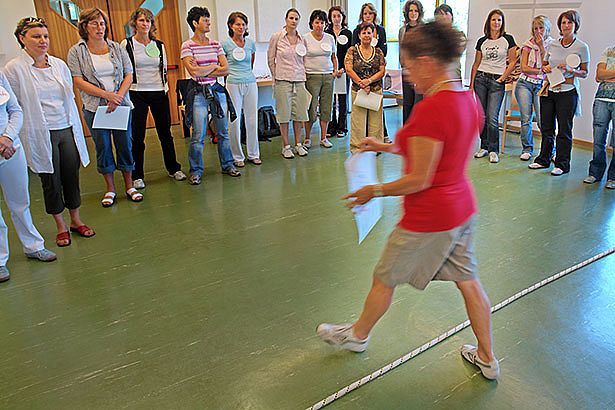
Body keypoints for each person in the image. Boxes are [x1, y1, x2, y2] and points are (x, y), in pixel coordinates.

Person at [317, 21, 500, 381]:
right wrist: (384, 145)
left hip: (429, 218)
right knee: (469, 281)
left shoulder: (433, 108)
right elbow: (439, 147)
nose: (408, 74)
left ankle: (358, 335)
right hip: (462, 210)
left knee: (384, 276)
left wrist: (375, 191)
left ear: (429, 61)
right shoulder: (467, 99)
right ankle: (488, 358)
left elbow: (420, 178)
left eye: (411, 65)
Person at [4, 17, 93, 247]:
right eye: (36, 36)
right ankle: (60, 225)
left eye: (45, 36)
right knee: (50, 179)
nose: (43, 41)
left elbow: (68, 100)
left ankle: (76, 220)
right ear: (22, 39)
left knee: (71, 175)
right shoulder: (14, 69)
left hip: (66, 128)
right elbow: (14, 105)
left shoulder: (59, 64)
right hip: (40, 132)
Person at [68, 8, 143, 206]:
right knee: (103, 147)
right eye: (95, 24)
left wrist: (117, 97)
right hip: (95, 108)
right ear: (84, 26)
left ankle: (129, 185)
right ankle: (110, 189)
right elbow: (78, 80)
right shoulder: (76, 51)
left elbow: (129, 74)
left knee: (125, 144)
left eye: (102, 24)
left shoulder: (117, 48)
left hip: (120, 106)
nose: (100, 28)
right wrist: (106, 95)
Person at [0, 71, 57, 283]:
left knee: (20, 202)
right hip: (3, 147)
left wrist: (7, 137)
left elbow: (15, 110)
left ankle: (33, 246)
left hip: (11, 148)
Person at [121, 8, 186, 189]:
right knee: (138, 135)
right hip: (137, 92)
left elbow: (163, 68)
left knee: (165, 133)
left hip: (158, 91)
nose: (145, 24)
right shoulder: (126, 45)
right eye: (141, 20)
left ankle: (173, 168)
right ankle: (137, 175)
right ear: (135, 23)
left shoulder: (159, 45)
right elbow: (124, 70)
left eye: (148, 21)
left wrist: (165, 89)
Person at [181, 6, 240, 185]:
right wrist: (214, 68)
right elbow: (192, 71)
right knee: (198, 135)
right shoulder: (187, 45)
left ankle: (228, 164)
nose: (208, 23)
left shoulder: (215, 44)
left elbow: (226, 68)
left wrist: (204, 70)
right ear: (195, 23)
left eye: (208, 19)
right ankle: (196, 170)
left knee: (223, 131)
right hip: (197, 92)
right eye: (205, 20)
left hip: (216, 90)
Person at [529, 10, 589, 176]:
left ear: (575, 25)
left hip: (568, 92)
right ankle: (543, 159)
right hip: (550, 89)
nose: (566, 26)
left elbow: (585, 72)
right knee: (547, 127)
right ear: (559, 26)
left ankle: (562, 164)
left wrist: (571, 70)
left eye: (570, 22)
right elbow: (546, 64)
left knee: (564, 130)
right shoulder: (554, 44)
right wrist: (545, 67)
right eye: (563, 23)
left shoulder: (581, 47)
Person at [470, 9, 517, 164]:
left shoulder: (508, 39)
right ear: (488, 22)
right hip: (481, 79)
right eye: (494, 20)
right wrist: (471, 85)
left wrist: (502, 78)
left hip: (497, 81)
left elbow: (513, 62)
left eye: (499, 20)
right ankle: (483, 146)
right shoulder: (482, 41)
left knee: (492, 117)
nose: (496, 23)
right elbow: (476, 64)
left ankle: (493, 150)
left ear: (502, 23)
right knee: (481, 116)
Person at [267, 8, 310, 159]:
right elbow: (271, 59)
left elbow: (305, 59)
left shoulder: (302, 39)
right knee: (283, 115)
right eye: (291, 18)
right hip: (283, 80)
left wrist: (303, 75)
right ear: (286, 19)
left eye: (296, 18)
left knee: (299, 114)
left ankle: (298, 144)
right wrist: (276, 76)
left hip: (299, 79)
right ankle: (286, 146)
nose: (293, 21)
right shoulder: (277, 37)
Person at [223, 11, 261, 167]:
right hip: (233, 83)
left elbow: (250, 63)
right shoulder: (225, 45)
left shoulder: (251, 44)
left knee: (252, 120)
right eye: (238, 24)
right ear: (231, 26)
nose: (241, 27)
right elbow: (224, 66)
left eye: (243, 24)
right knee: (234, 120)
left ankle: (254, 154)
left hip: (250, 82)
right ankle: (237, 156)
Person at [514, 16, 552, 161]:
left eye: (541, 28)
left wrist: (542, 47)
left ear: (547, 29)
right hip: (524, 83)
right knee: (526, 118)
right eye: (535, 28)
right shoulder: (527, 45)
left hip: (542, 86)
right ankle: (527, 149)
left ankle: (548, 150)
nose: (538, 31)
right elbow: (524, 67)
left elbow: (548, 65)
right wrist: (539, 71)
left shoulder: (552, 45)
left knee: (544, 120)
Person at [351, 3, 390, 143]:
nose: (367, 16)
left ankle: (380, 138)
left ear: (374, 15)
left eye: (370, 13)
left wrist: (371, 79)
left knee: (376, 112)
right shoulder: (357, 30)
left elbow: (384, 51)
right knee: (360, 114)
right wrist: (363, 82)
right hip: (360, 80)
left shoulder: (381, 30)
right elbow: (354, 52)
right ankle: (361, 143)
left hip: (376, 78)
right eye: (365, 13)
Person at [346, 22, 385, 153]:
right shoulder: (352, 50)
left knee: (375, 122)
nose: (367, 35)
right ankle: (358, 148)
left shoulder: (378, 52)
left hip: (375, 90)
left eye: (369, 32)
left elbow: (382, 70)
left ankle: (375, 148)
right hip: (358, 91)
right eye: (364, 33)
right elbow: (349, 69)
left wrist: (369, 81)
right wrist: (361, 83)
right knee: (358, 122)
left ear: (373, 35)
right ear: (359, 35)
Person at [303, 9, 337, 149]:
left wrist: (335, 71)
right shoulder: (305, 38)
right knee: (310, 108)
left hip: (328, 76)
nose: (319, 25)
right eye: (317, 22)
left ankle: (323, 137)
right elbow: (300, 57)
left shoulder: (330, 38)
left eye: (322, 22)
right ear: (312, 23)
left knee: (326, 107)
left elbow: (334, 57)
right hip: (311, 76)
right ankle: (307, 138)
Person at [584, 46, 615, 187]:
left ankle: (613, 177)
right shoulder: (608, 51)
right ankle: (595, 173)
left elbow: (603, 75)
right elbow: (599, 75)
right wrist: (606, 75)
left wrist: (606, 74)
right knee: (598, 139)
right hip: (601, 99)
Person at [325, 6, 352, 139]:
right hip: (329, 71)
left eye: (338, 15)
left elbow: (350, 53)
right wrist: (332, 69)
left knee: (342, 100)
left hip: (344, 71)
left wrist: (343, 69)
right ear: (330, 18)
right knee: (330, 100)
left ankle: (342, 127)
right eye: (334, 16)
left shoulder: (348, 33)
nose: (336, 18)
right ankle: (331, 127)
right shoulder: (326, 33)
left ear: (342, 17)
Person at [399, 0, 424, 123]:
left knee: (419, 104)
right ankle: (406, 133)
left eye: (416, 11)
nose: (413, 13)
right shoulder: (403, 30)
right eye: (411, 11)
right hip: (406, 71)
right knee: (407, 103)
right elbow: (402, 51)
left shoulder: (424, 30)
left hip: (421, 73)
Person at [434, 4, 462, 80]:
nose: (443, 17)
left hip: (453, 76)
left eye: (446, 13)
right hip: (436, 76)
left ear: (451, 16)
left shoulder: (458, 34)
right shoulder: (432, 35)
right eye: (440, 14)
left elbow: (456, 51)